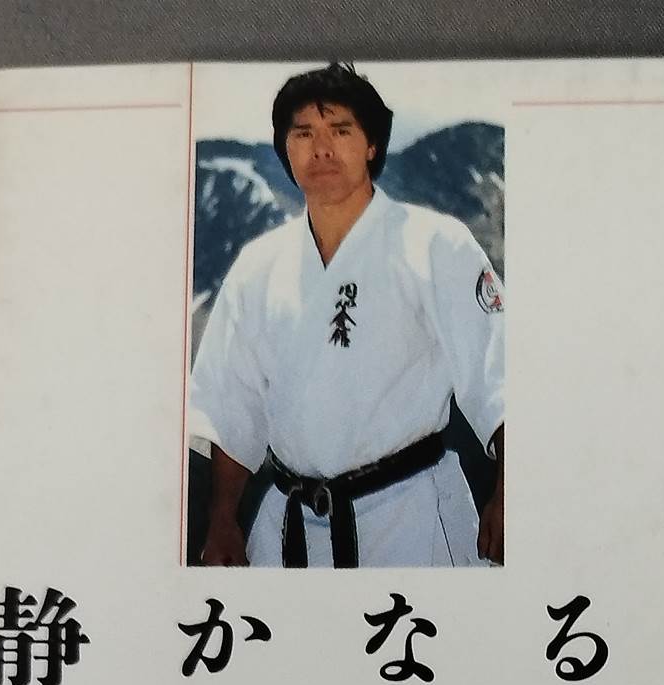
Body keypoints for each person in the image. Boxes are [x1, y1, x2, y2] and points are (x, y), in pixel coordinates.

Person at [191, 64, 504, 569]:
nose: (321, 148)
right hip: (289, 523)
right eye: (303, 133)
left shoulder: (434, 244)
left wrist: (509, 492)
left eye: (340, 131)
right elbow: (231, 404)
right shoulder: (258, 266)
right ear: (285, 150)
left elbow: (497, 373)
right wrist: (223, 518)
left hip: (410, 513)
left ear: (372, 145)